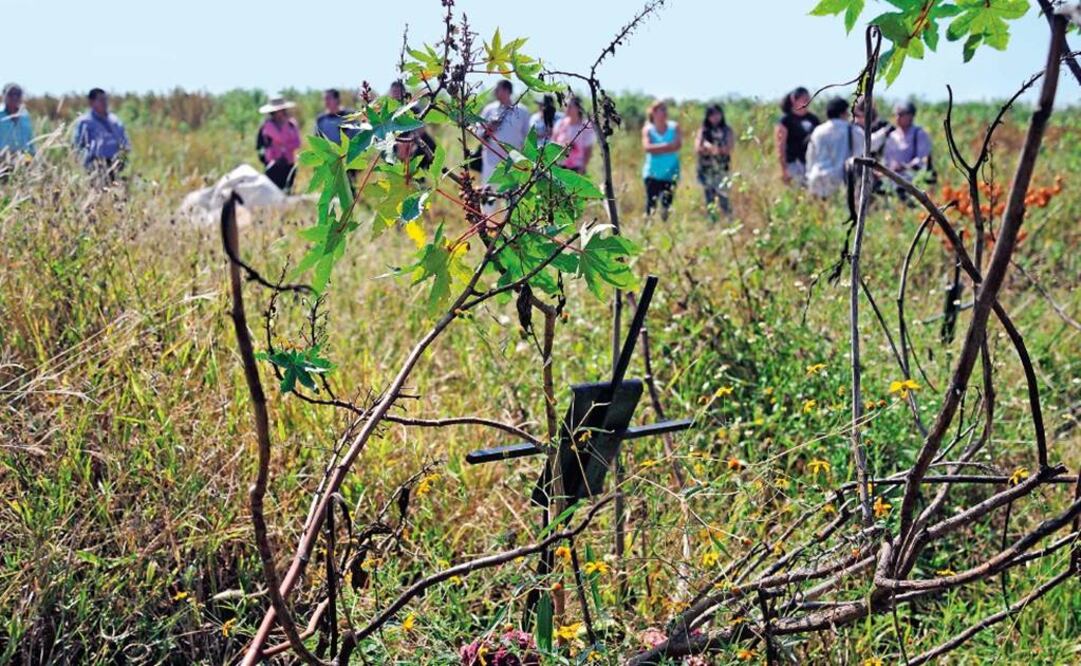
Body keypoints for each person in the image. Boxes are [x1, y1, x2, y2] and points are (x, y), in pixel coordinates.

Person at [477, 80, 530, 208]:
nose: (495, 92)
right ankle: (486, 224)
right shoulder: (489, 110)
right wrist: (489, 128)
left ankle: (509, 223)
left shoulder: (522, 111)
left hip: (512, 162)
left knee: (511, 196)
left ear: (507, 91)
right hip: (491, 159)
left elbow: (527, 137)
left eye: (498, 89)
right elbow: (479, 133)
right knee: (489, 193)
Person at [805, 97, 865, 198]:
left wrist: (809, 176)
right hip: (839, 181)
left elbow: (810, 156)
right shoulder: (851, 130)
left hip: (817, 180)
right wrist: (885, 132)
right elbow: (869, 144)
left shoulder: (818, 131)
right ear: (843, 113)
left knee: (821, 212)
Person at [73, 88, 130, 182]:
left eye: (105, 99)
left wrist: (124, 155)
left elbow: (125, 141)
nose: (105, 102)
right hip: (96, 166)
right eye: (101, 100)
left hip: (116, 164)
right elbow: (77, 146)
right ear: (91, 102)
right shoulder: (85, 122)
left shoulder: (114, 120)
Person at [641, 100, 681, 220]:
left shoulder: (674, 127)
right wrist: (668, 146)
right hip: (652, 173)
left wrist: (658, 148)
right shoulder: (648, 129)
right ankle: (648, 231)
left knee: (666, 205)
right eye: (661, 110)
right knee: (651, 203)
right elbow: (647, 148)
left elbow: (678, 145)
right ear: (653, 112)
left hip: (671, 172)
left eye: (665, 109)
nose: (665, 112)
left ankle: (665, 227)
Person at [694, 103, 735, 214]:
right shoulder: (703, 130)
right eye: (712, 115)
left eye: (717, 114)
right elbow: (698, 148)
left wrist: (710, 148)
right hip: (706, 168)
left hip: (722, 168)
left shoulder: (727, 130)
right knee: (709, 196)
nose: (715, 117)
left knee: (723, 196)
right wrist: (713, 149)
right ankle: (712, 221)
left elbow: (728, 148)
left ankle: (727, 219)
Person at [775, 86, 820, 185]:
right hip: (793, 164)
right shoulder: (786, 120)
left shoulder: (814, 119)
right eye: (804, 99)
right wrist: (784, 169)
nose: (807, 102)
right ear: (794, 100)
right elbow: (780, 146)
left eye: (808, 99)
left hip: (810, 163)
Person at [256, 97, 301, 192]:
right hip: (273, 165)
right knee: (273, 192)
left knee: (288, 191)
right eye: (276, 110)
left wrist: (284, 146)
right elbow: (279, 138)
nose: (279, 112)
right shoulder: (267, 126)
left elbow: (297, 143)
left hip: (289, 164)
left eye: (281, 109)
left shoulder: (291, 124)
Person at [883, 101, 933, 182]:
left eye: (901, 114)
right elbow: (886, 160)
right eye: (896, 114)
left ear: (910, 116)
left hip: (913, 181)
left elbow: (922, 159)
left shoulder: (919, 134)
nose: (897, 117)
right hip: (892, 182)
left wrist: (905, 167)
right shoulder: (892, 135)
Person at [551, 95, 595, 174]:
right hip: (560, 165)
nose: (566, 108)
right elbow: (553, 142)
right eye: (566, 105)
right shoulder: (560, 124)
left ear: (578, 108)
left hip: (576, 168)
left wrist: (583, 167)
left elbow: (588, 149)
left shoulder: (585, 127)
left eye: (570, 106)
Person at [1, 83, 34, 156]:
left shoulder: (25, 115)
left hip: (24, 157)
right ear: (4, 95)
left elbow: (30, 139)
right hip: (2, 158)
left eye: (18, 94)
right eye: (11, 94)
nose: (14, 97)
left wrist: (32, 156)